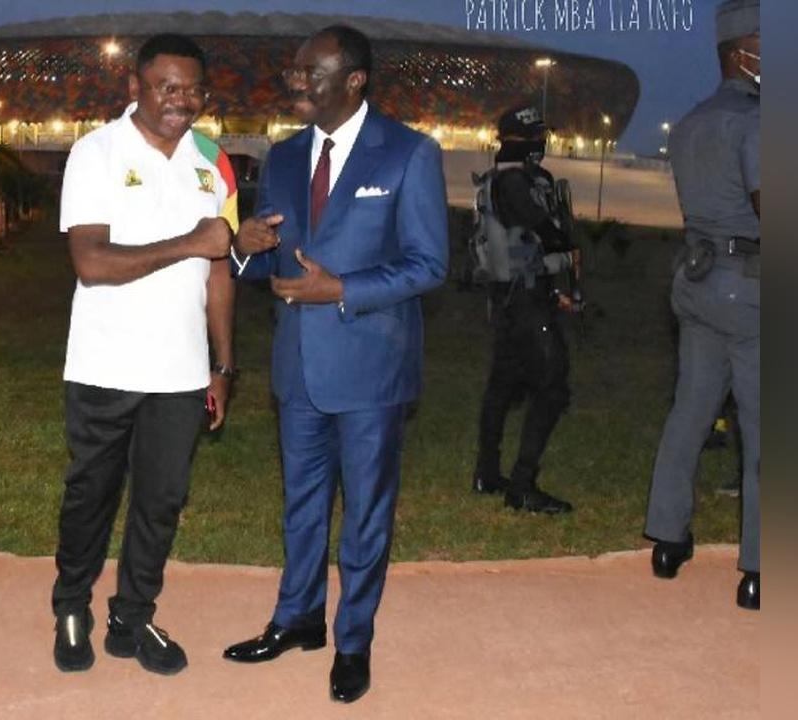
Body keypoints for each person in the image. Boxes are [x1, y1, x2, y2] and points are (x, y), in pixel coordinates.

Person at [220, 25, 448, 703]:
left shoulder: (408, 153)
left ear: (354, 80)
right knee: (302, 505)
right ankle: (297, 619)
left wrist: (343, 289)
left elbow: (429, 264)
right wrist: (243, 246)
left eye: (310, 73)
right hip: (297, 367)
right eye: (294, 72)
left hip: (371, 368)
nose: (297, 82)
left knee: (366, 514)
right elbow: (268, 256)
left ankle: (353, 642)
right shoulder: (286, 155)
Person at [50, 33, 240, 675]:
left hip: (180, 373)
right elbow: (91, 262)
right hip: (104, 365)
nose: (181, 100)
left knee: (160, 504)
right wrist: (189, 241)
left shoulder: (211, 161)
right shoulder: (96, 152)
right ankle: (70, 607)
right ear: (136, 86)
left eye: (193, 89)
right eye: (167, 86)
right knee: (92, 497)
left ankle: (133, 617)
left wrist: (222, 365)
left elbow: (219, 269)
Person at [644, 0, 761, 610]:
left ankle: (667, 541)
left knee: (690, 412)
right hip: (749, 287)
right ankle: (759, 570)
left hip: (696, 280)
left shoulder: (691, 122)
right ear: (742, 53)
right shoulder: (756, 121)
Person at [469, 105, 576, 515]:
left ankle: (487, 472)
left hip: (508, 298)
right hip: (527, 299)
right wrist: (566, 252)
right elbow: (544, 237)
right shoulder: (516, 182)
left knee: (502, 386)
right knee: (552, 388)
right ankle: (522, 483)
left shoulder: (493, 180)